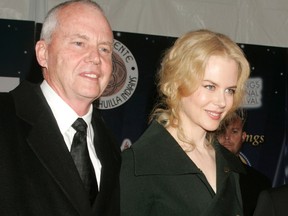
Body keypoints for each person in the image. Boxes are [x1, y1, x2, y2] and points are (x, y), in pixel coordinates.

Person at [0, 1, 120, 215]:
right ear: (43, 53)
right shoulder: (5, 118)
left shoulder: (110, 147)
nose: (96, 58)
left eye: (105, 49)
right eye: (79, 43)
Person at [120, 29, 250, 216]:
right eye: (210, 86)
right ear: (177, 82)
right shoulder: (138, 164)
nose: (222, 102)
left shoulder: (227, 164)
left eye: (229, 90)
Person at [216, 110, 272, 216]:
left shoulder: (260, 182)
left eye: (234, 131)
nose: (227, 137)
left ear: (243, 136)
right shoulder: (198, 173)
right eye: (222, 130)